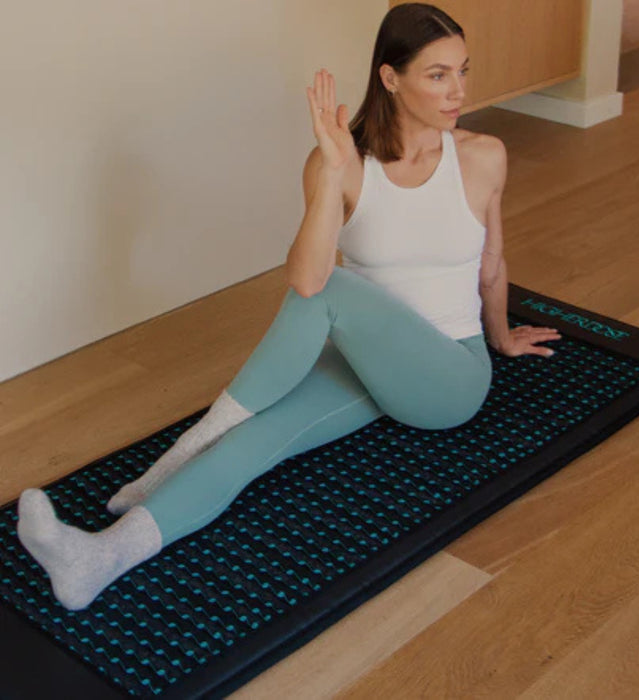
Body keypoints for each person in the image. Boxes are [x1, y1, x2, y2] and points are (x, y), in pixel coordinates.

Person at [17, 2, 561, 610]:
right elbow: (306, 275)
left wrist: (502, 337)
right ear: (390, 77)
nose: (458, 89)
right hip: (368, 359)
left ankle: (186, 448)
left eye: (463, 70)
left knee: (333, 291)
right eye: (438, 74)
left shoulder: (483, 154)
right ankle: (99, 557)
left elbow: (489, 263)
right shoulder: (343, 164)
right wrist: (332, 172)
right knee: (257, 440)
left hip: (449, 378)